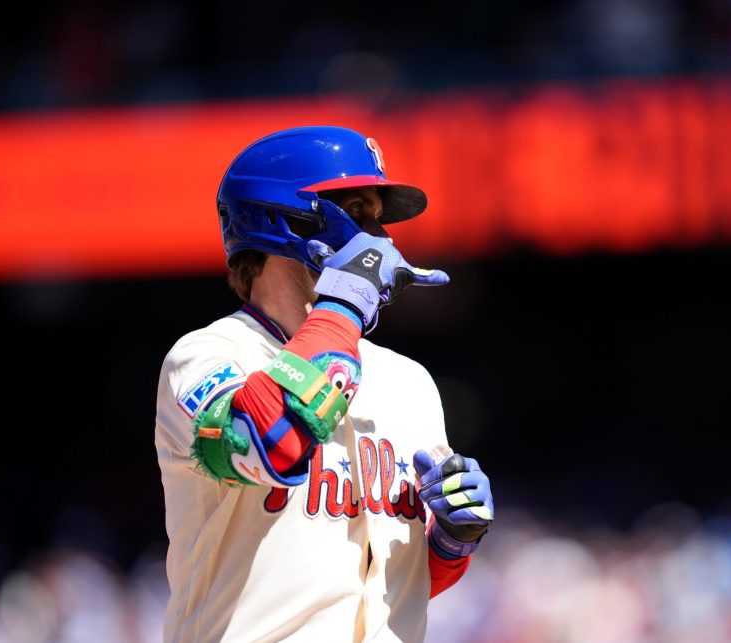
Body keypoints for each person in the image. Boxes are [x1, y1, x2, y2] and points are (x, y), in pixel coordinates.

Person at [153, 125, 495, 642]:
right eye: (357, 214)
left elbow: (386, 586)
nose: (380, 241)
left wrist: (449, 543)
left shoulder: (410, 381)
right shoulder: (208, 356)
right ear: (284, 221)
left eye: (378, 221)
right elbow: (271, 445)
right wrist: (341, 305)